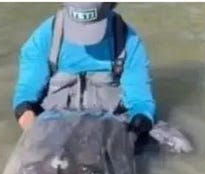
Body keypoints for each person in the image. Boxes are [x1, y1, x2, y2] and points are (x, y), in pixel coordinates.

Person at [12, 2, 155, 137]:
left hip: (107, 132)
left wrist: (139, 124)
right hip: (54, 133)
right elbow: (25, 97)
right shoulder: (42, 39)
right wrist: (34, 132)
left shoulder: (129, 42)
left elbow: (140, 102)